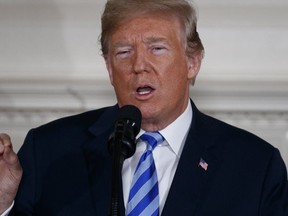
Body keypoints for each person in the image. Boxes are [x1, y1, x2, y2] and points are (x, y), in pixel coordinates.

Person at [0, 0, 287, 215]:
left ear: (192, 62)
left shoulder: (255, 166)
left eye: (157, 48)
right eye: (123, 52)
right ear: (110, 68)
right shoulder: (49, 150)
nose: (138, 66)